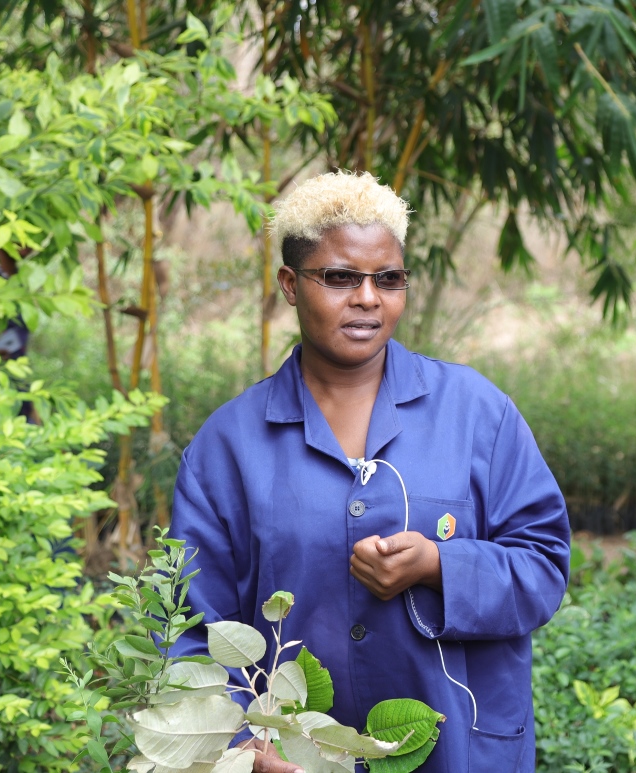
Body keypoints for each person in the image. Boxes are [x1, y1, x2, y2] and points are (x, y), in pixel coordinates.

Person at [170, 171, 571, 773]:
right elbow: (190, 627)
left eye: (388, 279)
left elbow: (543, 566)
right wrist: (242, 749)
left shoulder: (476, 413)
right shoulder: (228, 446)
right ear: (289, 284)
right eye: (339, 277)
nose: (367, 297)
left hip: (458, 752)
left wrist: (440, 565)